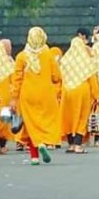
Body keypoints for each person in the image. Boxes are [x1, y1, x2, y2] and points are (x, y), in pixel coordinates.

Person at [10, 27, 62, 165]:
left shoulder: (21, 56)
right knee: (46, 121)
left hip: (27, 95)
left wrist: (14, 98)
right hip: (46, 94)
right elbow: (56, 76)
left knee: (30, 124)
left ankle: (34, 157)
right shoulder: (48, 54)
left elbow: (17, 80)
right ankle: (42, 143)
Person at [58, 29, 99, 154]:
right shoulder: (86, 60)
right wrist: (96, 96)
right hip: (82, 90)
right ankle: (78, 145)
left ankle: (70, 145)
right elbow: (92, 79)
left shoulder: (65, 60)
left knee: (68, 118)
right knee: (82, 117)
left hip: (67, 91)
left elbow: (59, 78)